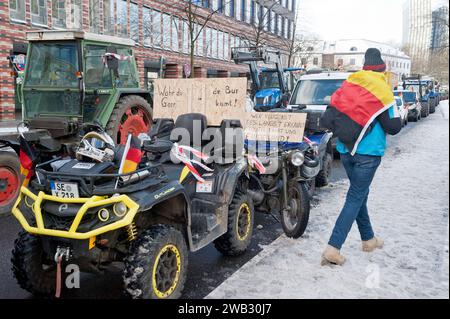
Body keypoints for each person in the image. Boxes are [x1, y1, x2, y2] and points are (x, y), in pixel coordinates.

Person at [320, 48, 402, 266]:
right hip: (368, 153)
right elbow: (392, 127)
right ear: (382, 71)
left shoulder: (351, 84)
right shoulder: (383, 90)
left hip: (346, 151)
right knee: (356, 197)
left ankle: (368, 239)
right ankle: (333, 248)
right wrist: (399, 115)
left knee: (359, 195)